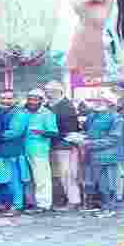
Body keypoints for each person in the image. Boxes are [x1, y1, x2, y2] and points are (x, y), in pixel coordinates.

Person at [81, 91, 124, 212]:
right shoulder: (92, 115)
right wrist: (80, 138)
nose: (96, 102)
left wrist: (90, 144)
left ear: (110, 103)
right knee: (91, 181)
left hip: (109, 155)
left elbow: (114, 139)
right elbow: (87, 132)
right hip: (92, 155)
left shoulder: (117, 118)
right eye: (97, 100)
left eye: (100, 100)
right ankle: (97, 205)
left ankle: (108, 207)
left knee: (108, 183)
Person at [45, 81, 83, 210]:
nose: (47, 93)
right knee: (59, 174)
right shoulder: (50, 105)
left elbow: (71, 129)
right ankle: (64, 200)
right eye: (46, 90)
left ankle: (73, 201)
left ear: (59, 91)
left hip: (65, 144)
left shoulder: (66, 106)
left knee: (67, 174)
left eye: (50, 91)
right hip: (54, 144)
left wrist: (50, 133)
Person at [22, 89, 60, 211]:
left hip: (39, 150)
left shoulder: (47, 114)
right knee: (27, 178)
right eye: (30, 99)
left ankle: (43, 204)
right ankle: (30, 202)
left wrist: (42, 132)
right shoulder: (23, 112)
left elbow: (54, 132)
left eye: (35, 99)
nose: (32, 102)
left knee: (41, 178)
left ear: (41, 101)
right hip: (23, 150)